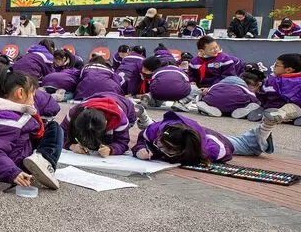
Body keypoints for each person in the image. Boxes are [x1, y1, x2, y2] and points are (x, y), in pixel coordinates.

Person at [0, 65, 61, 190]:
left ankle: (40, 159)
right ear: (20, 93)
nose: (33, 100)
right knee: (55, 129)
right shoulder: (5, 119)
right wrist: (13, 173)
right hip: (11, 165)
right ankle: (45, 161)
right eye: (33, 94)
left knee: (47, 127)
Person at [133, 109, 274, 164]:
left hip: (208, 136)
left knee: (243, 144)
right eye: (160, 144)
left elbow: (228, 151)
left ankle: (265, 127)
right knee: (149, 128)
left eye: (169, 150)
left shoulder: (211, 148)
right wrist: (139, 150)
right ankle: (145, 118)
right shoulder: (156, 130)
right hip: (173, 127)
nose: (160, 148)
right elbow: (143, 138)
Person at [62, 92, 136, 157]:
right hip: (96, 98)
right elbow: (58, 134)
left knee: (108, 140)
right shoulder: (74, 113)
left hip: (126, 105)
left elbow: (122, 143)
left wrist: (110, 149)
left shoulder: (120, 120)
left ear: (106, 123)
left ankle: (140, 113)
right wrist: (72, 146)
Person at [255, 54, 301, 125]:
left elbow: (263, 94)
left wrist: (258, 92)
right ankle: (280, 116)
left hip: (270, 106)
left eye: (276, 65)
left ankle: (271, 115)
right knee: (292, 108)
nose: (274, 68)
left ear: (288, 70)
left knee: (289, 108)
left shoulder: (271, 80)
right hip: (293, 108)